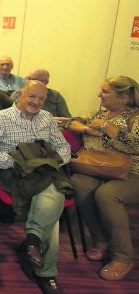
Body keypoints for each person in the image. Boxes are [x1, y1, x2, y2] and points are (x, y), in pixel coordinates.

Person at [0, 80, 72, 294]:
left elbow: (63, 145)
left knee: (50, 197)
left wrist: (54, 161)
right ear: (19, 95)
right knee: (54, 198)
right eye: (32, 96)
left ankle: (32, 242)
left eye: (41, 98)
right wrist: (16, 163)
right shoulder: (1, 118)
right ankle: (46, 272)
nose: (37, 102)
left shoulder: (47, 118)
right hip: (13, 173)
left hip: (44, 171)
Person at [66, 76, 139, 281]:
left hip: (132, 172)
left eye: (105, 92)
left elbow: (136, 146)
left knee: (106, 195)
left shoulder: (134, 118)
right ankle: (101, 238)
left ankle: (123, 256)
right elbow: (73, 121)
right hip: (99, 168)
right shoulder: (100, 113)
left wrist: (108, 128)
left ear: (123, 97)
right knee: (80, 185)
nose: (99, 95)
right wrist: (87, 128)